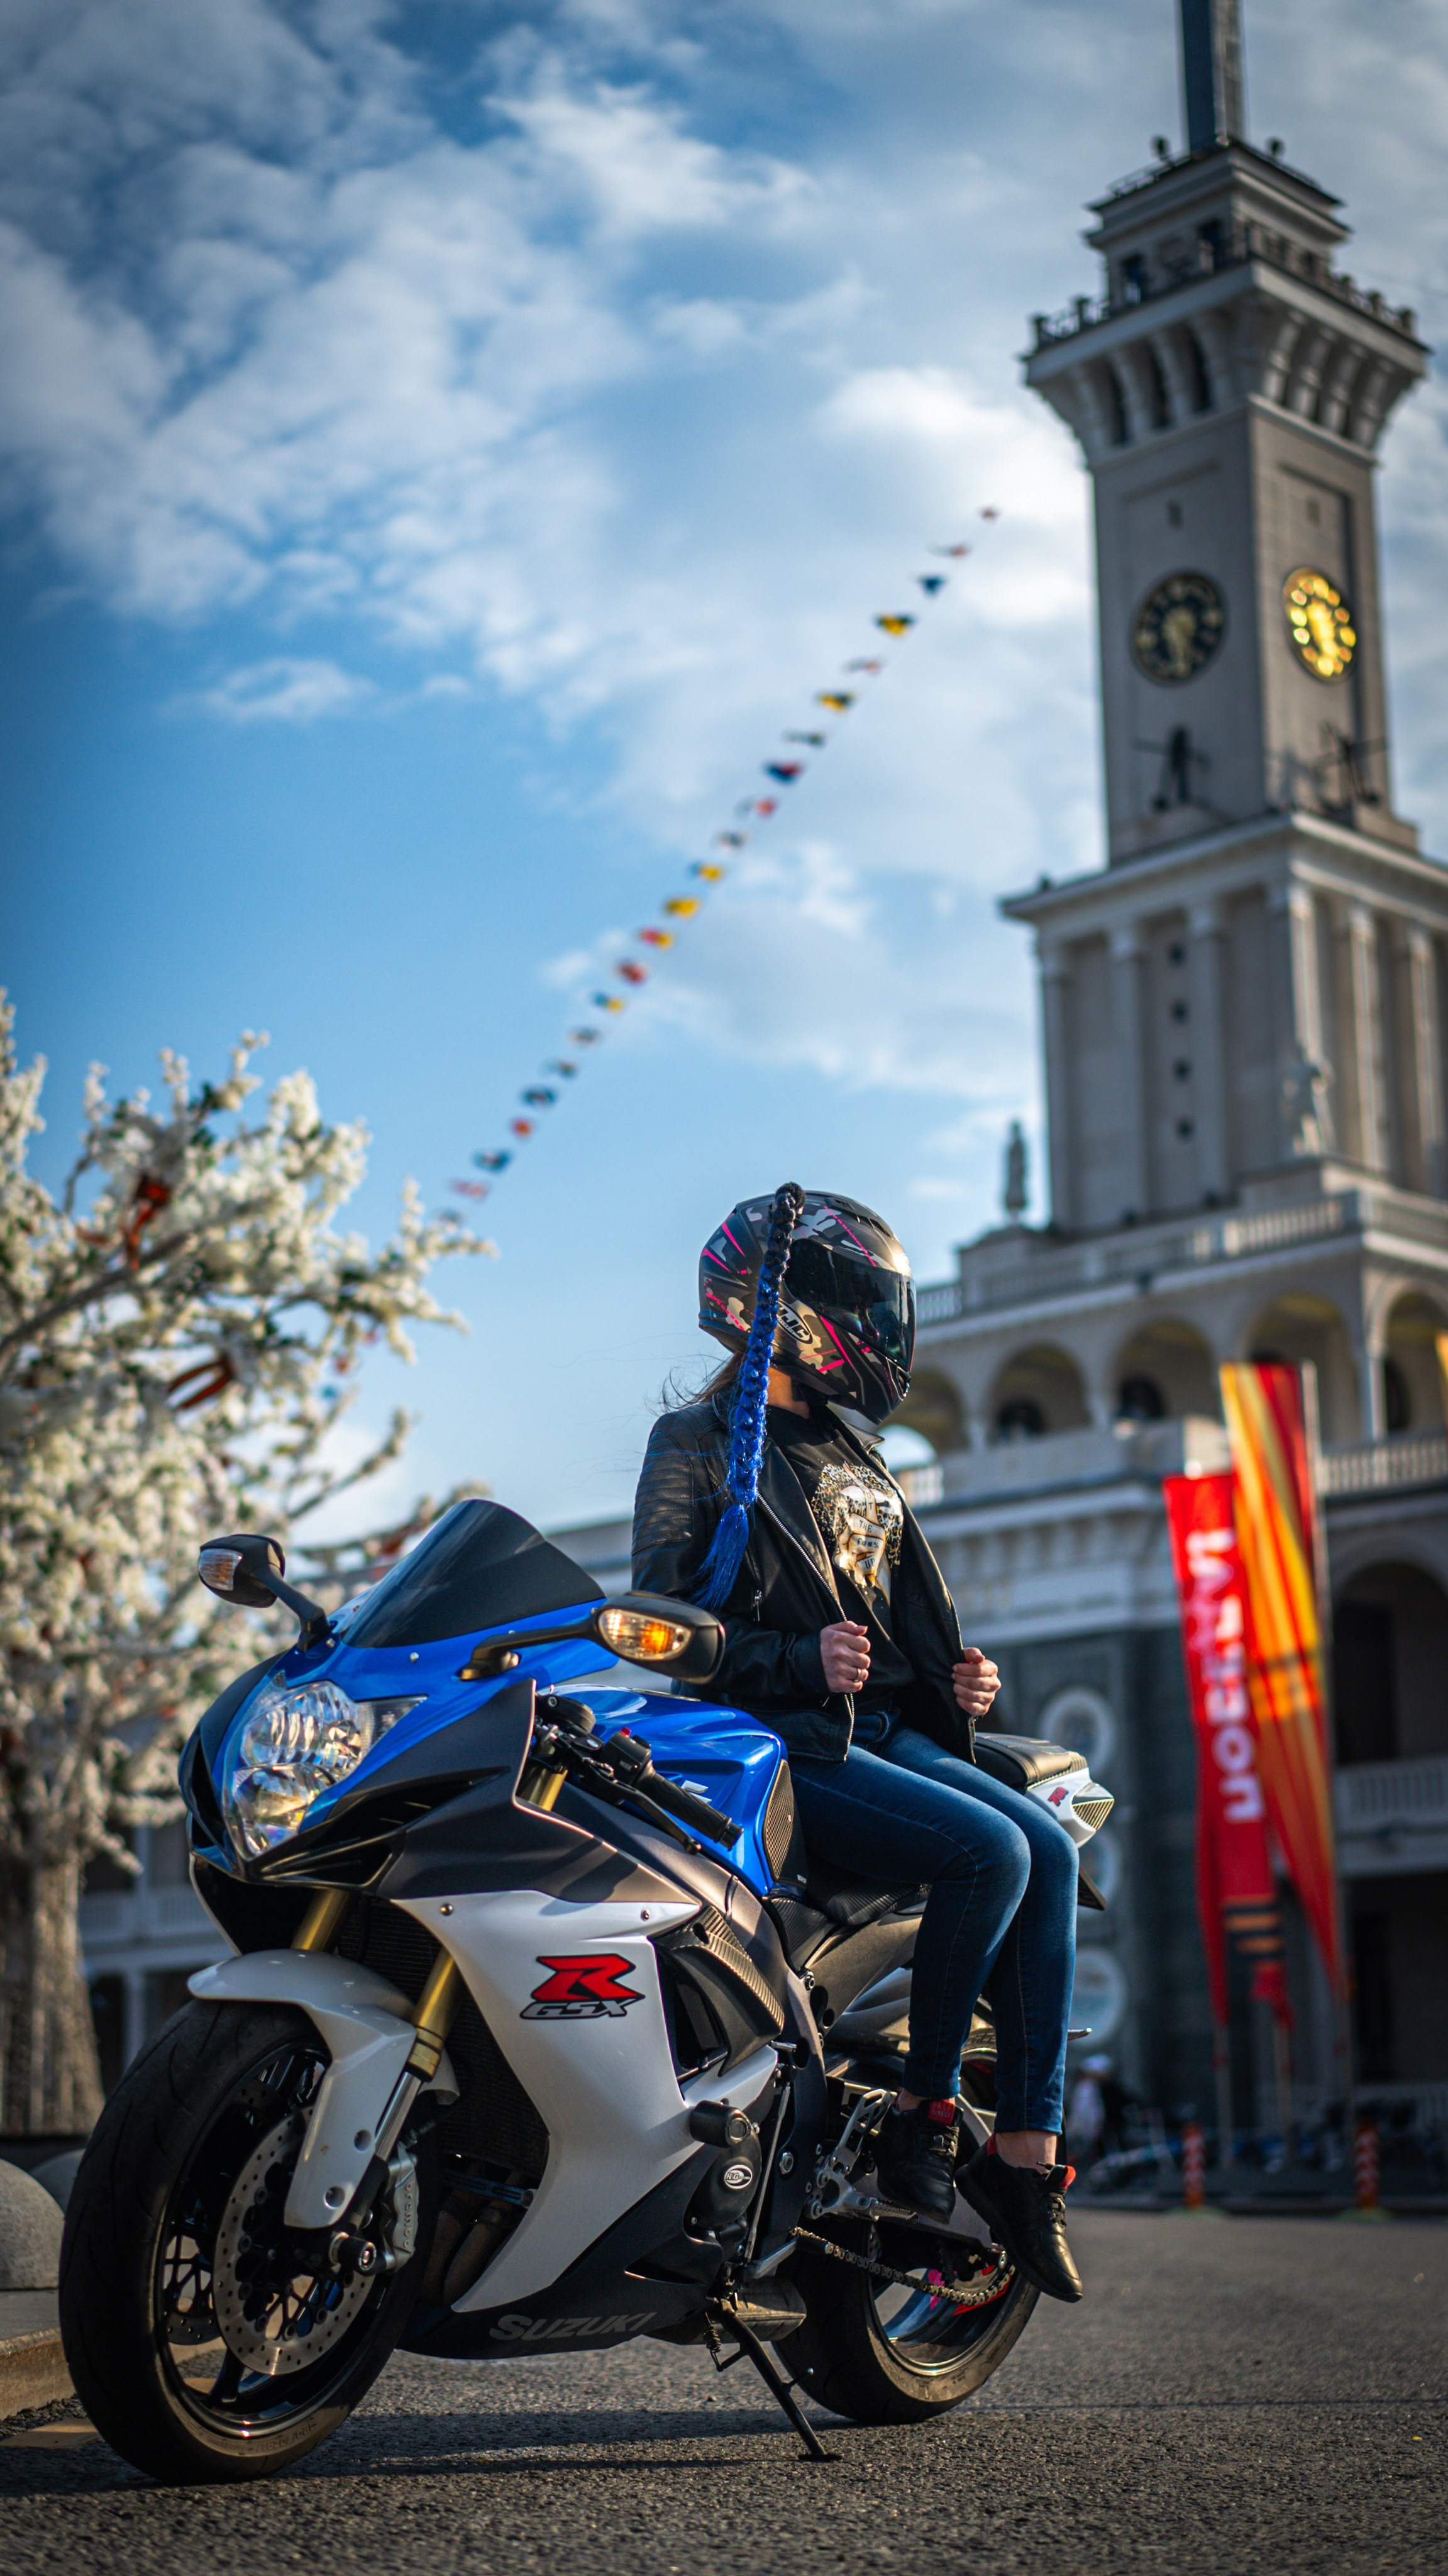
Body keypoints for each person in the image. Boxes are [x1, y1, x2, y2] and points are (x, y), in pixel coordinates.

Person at [632, 1182, 1083, 2302]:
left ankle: (1026, 2159)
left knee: (1057, 1853)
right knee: (997, 1853)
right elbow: (664, 1631)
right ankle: (930, 2122)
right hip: (787, 1743)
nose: (884, 1332)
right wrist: (791, 1663)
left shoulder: (854, 1447)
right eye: (866, 1306)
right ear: (794, 1309)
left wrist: (955, 1678)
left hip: (891, 1728)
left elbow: (891, 1616)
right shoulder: (692, 1445)